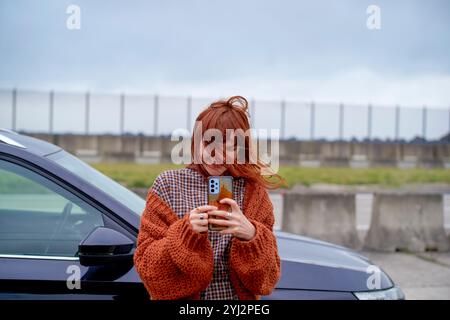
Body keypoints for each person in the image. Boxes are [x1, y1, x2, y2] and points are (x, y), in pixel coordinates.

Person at [133, 95, 284, 300]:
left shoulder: (253, 194)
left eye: (228, 147)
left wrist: (251, 235)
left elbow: (266, 282)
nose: (217, 155)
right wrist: (185, 232)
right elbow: (148, 271)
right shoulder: (168, 186)